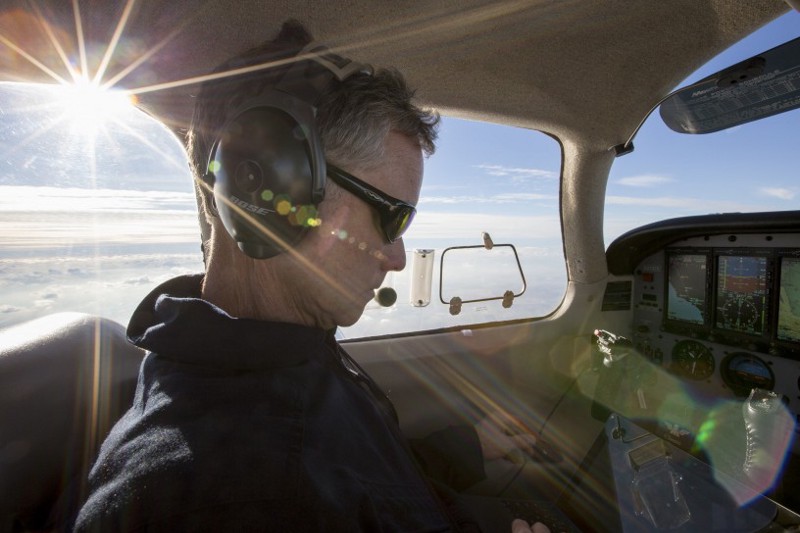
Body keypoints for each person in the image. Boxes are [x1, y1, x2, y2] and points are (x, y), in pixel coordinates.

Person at [73, 20, 551, 533]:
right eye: (393, 218)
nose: (398, 258)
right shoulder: (221, 499)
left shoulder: (283, 347)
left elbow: (364, 482)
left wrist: (463, 449)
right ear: (270, 191)